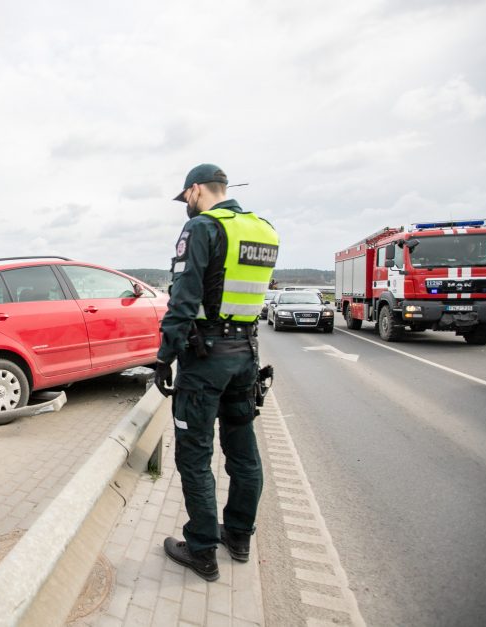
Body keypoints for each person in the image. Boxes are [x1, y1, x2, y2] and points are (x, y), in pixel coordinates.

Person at [154, 164, 279, 581]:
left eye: (185, 198)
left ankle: (202, 549)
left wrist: (163, 357)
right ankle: (239, 536)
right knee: (243, 450)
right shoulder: (264, 229)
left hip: (205, 359)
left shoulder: (204, 228)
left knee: (195, 454)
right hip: (245, 354)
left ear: (195, 190)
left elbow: (184, 299)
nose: (185, 206)